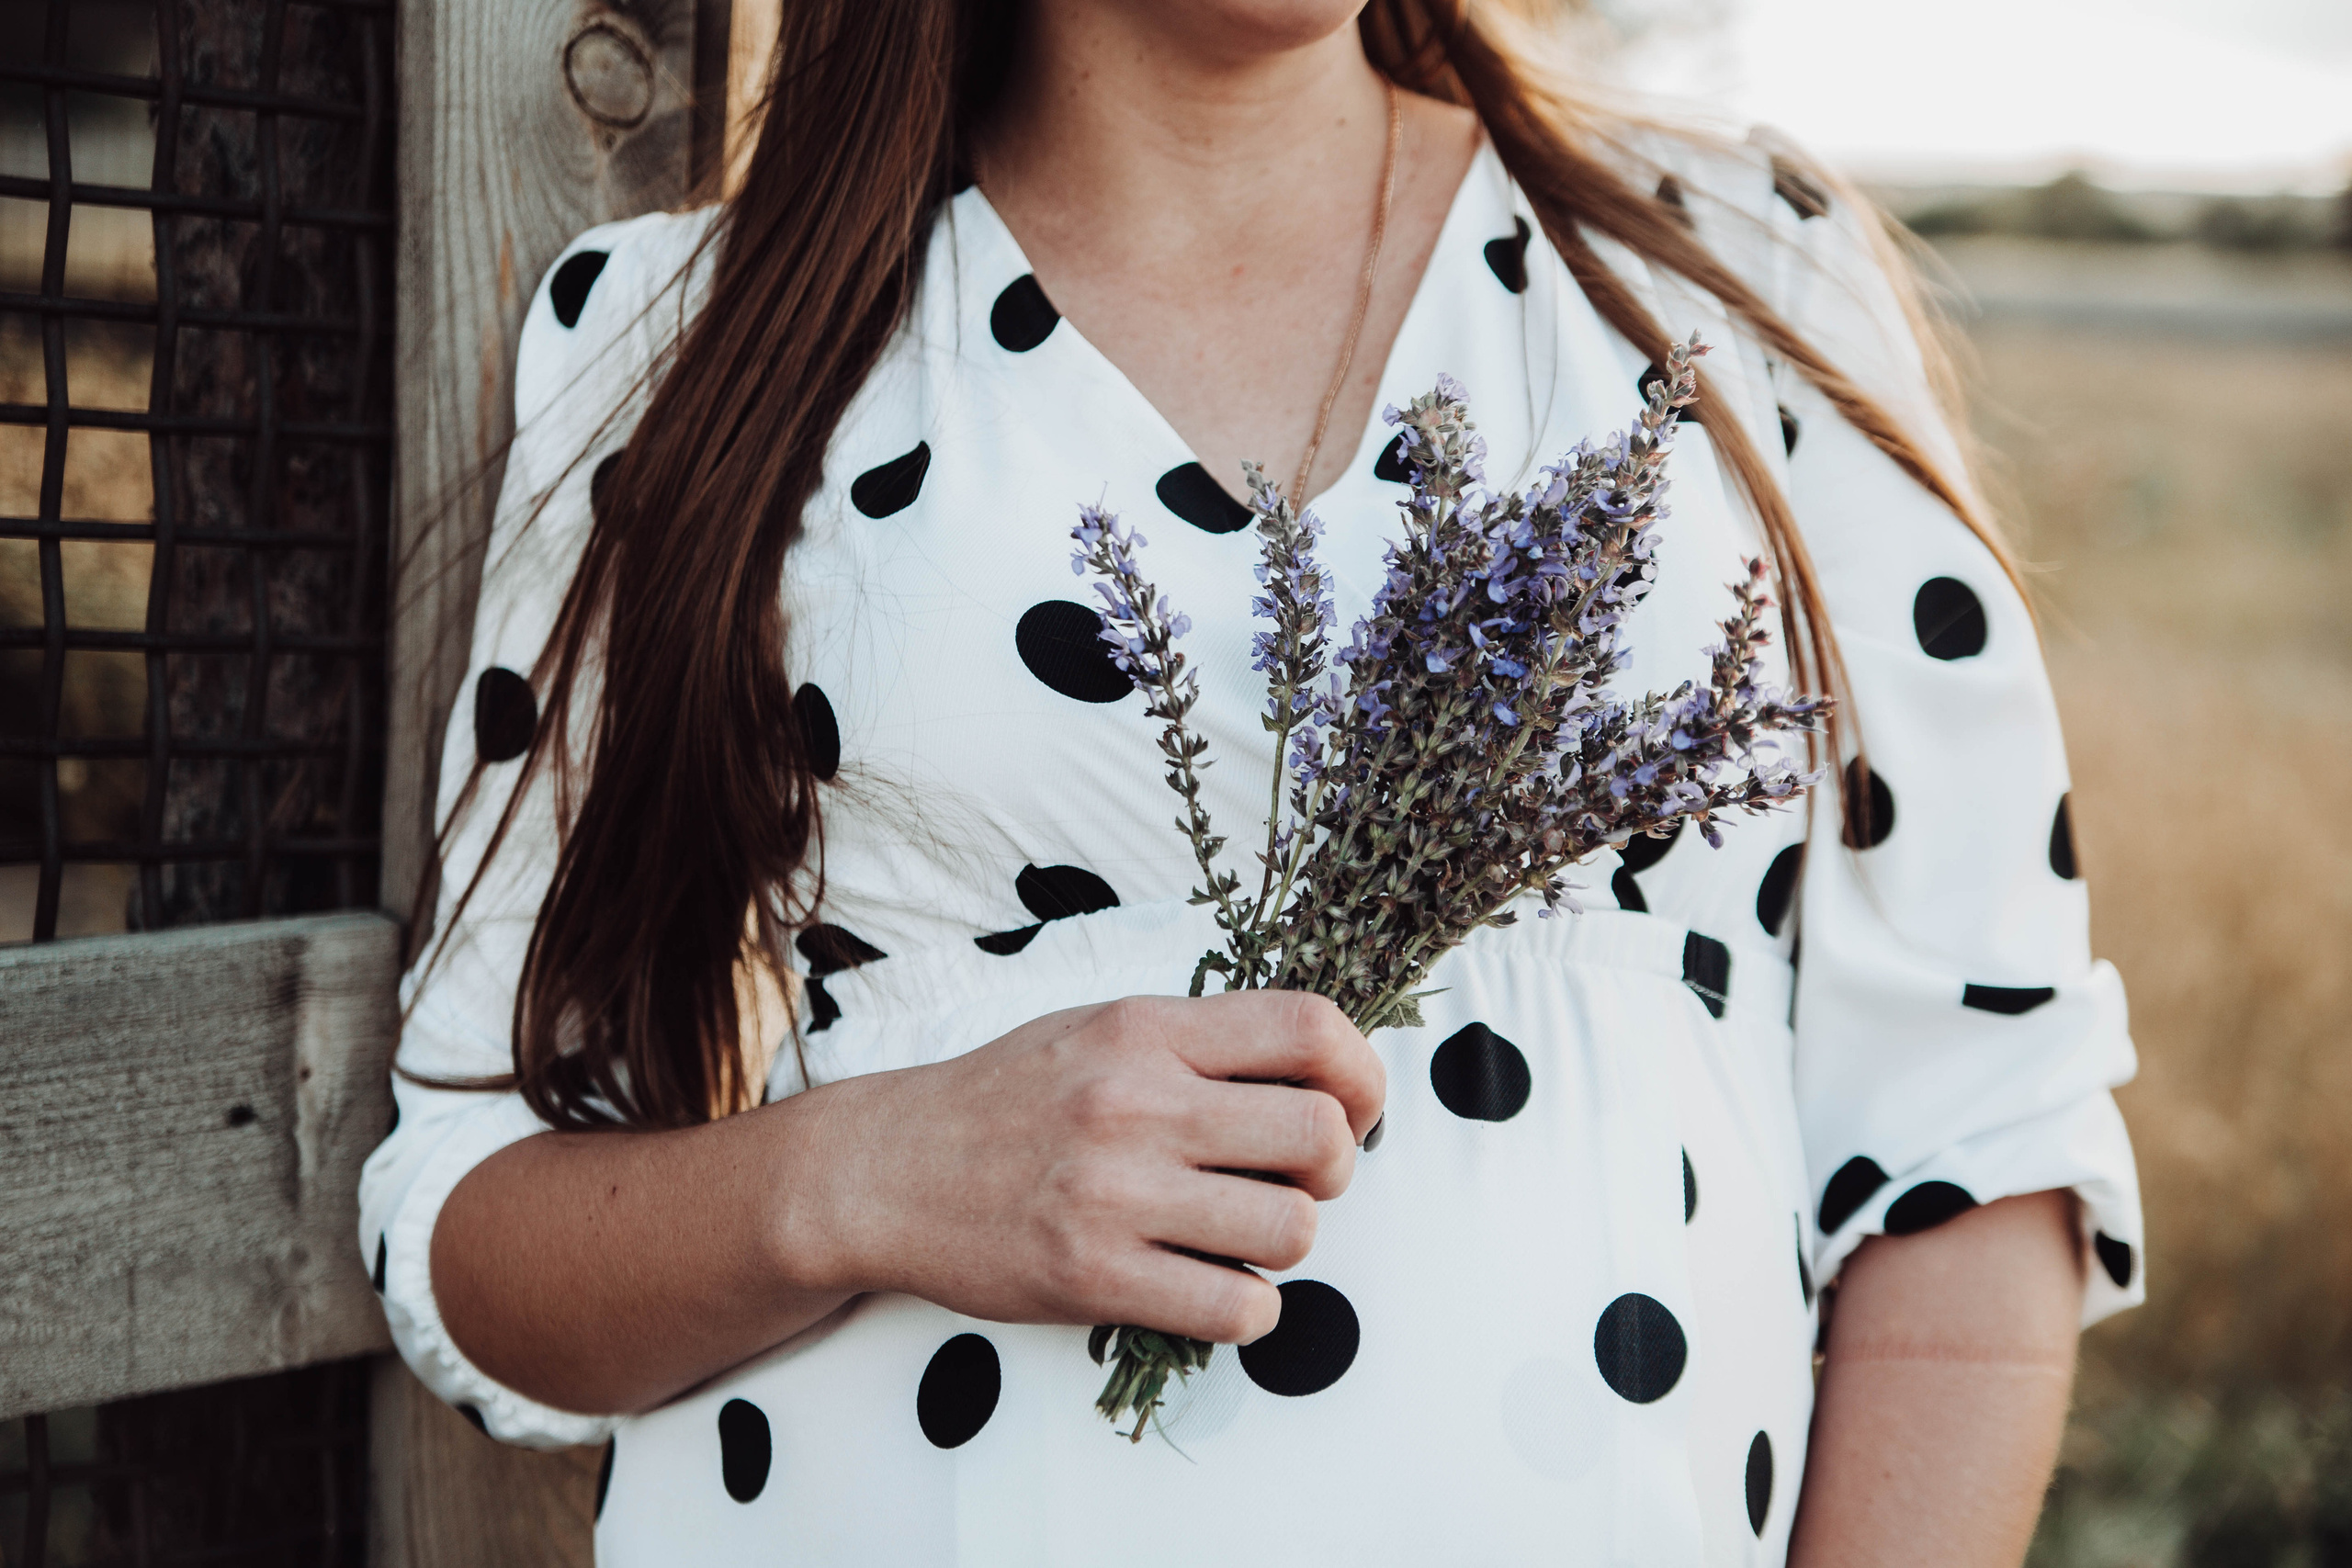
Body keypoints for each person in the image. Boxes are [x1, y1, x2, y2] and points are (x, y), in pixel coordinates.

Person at [361, 1, 2143, 1561]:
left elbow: (1971, 1134)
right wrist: (863, 1172)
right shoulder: (691, 348)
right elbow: (467, 1208)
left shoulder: (1729, 276)